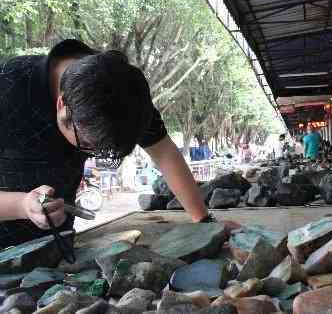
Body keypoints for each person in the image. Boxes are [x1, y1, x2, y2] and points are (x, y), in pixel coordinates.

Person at [0, 39, 236, 249]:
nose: (92, 155)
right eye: (88, 146)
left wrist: (205, 223)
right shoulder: (9, 87)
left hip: (56, 246)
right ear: (62, 106)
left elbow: (164, 152)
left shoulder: (124, 94)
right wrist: (22, 204)